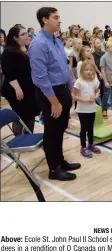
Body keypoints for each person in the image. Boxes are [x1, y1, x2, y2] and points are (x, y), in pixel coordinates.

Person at [29, 7, 80, 181]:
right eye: (56, 17)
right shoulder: (38, 44)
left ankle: (60, 161)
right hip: (50, 93)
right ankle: (54, 169)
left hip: (62, 89)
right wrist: (54, 101)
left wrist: (71, 89)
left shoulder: (56, 41)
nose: (60, 20)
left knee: (61, 128)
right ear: (44, 20)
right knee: (52, 131)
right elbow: (40, 77)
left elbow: (65, 68)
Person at [1, 25, 40, 136]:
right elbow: (8, 72)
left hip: (29, 87)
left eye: (26, 33)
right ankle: (19, 139)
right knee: (20, 115)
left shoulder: (27, 48)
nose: (26, 36)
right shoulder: (9, 52)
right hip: (15, 88)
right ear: (15, 38)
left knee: (31, 113)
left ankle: (29, 137)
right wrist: (17, 88)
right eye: (23, 34)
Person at [73, 60, 101, 158]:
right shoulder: (79, 82)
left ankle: (91, 144)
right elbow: (74, 95)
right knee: (84, 128)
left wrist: (96, 96)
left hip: (92, 109)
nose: (88, 71)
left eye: (91, 69)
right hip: (82, 110)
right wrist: (84, 100)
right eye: (86, 69)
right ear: (82, 70)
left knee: (90, 127)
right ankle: (83, 147)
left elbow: (98, 91)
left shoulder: (95, 81)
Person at [100, 41, 112, 119]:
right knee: (106, 95)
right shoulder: (103, 57)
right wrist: (105, 81)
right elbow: (102, 70)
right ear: (107, 48)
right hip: (107, 78)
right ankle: (104, 110)